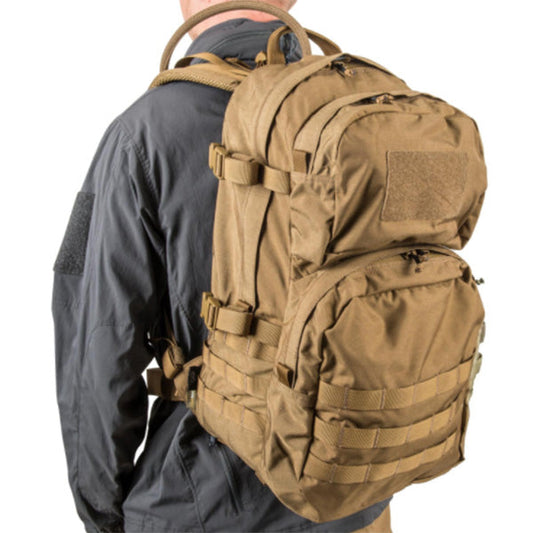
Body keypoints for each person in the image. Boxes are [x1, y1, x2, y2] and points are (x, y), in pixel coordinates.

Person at [52, 1, 392, 531]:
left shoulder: (145, 132)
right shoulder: (365, 109)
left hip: (205, 505)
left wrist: (103, 514)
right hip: (357, 495)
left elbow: (96, 346)